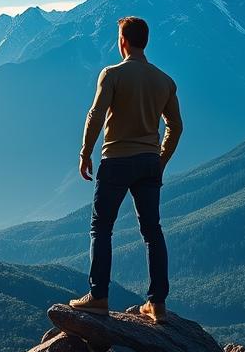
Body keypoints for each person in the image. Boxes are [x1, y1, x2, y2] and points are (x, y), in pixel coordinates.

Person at [69, 16, 183, 322]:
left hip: (116, 160)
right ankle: (157, 303)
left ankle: (98, 296)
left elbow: (95, 114)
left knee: (101, 228)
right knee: (152, 230)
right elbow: (176, 126)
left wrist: (85, 153)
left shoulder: (112, 74)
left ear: (123, 42)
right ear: (144, 41)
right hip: (148, 163)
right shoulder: (165, 81)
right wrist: (161, 159)